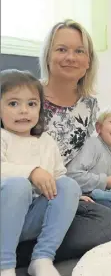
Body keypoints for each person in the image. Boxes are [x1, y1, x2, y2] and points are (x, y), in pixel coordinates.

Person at [15, 20, 111, 267]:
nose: (70, 57)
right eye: (61, 49)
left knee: (106, 220)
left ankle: (23, 253)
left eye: (79, 51)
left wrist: (74, 193)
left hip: (54, 195)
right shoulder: (24, 96)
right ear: (48, 55)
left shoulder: (90, 106)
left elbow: (71, 162)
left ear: (89, 61)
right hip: (15, 191)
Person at [0, 70, 81, 276]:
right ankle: (5, 264)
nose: (23, 111)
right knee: (18, 185)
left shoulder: (46, 141)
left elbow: (58, 175)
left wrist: (72, 197)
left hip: (33, 219)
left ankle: (42, 258)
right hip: (4, 215)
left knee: (70, 186)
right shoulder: (3, 136)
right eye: (13, 104)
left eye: (31, 104)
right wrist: (32, 171)